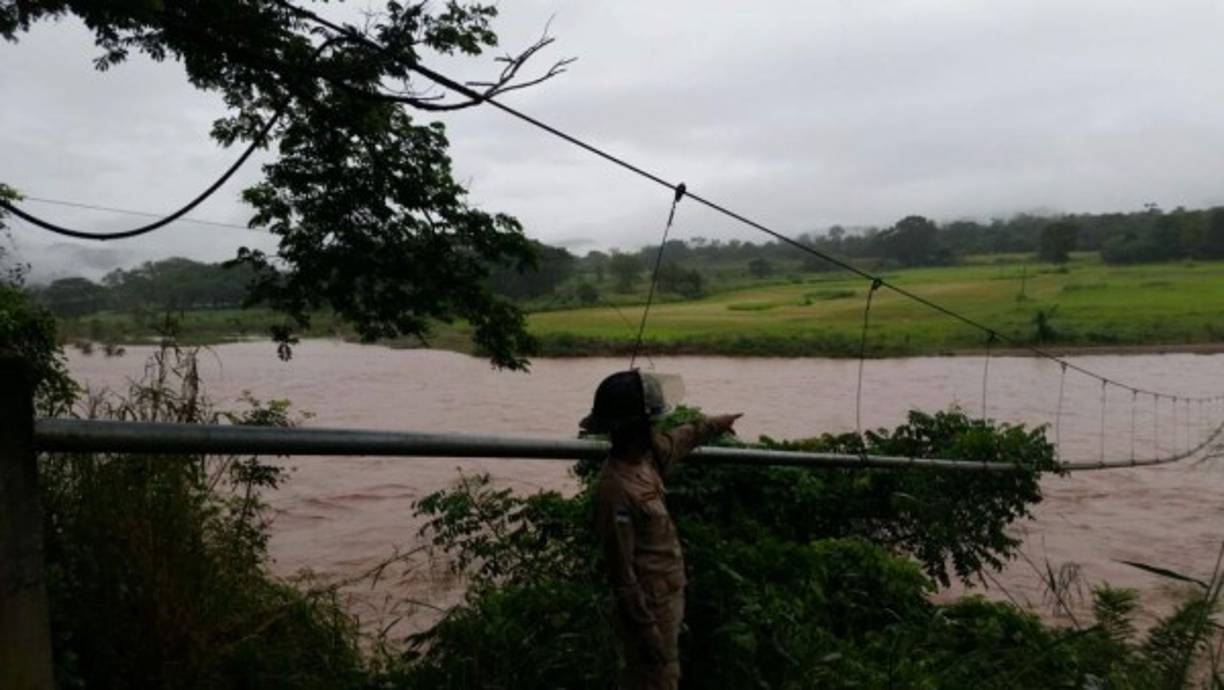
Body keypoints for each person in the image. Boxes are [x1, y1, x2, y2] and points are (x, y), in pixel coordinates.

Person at [581, 370, 741, 690]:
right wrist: (646, 630)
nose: (656, 428)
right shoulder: (615, 491)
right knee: (657, 679)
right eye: (651, 423)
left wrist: (715, 424)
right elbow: (621, 575)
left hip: (668, 598)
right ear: (636, 428)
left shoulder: (648, 457)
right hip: (649, 611)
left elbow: (683, 437)